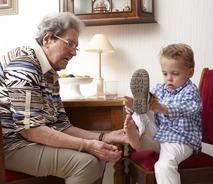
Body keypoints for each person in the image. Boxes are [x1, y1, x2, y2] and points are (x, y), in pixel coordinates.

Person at [0, 12, 130, 184]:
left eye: (76, 47)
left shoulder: (50, 74)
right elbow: (30, 129)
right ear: (47, 39)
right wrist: (87, 145)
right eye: (70, 44)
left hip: (28, 142)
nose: (74, 53)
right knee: (87, 164)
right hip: (10, 146)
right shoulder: (24, 62)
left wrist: (103, 138)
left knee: (100, 157)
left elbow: (62, 126)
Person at [124, 43, 202, 184]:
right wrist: (133, 106)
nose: (169, 78)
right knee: (143, 107)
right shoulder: (160, 88)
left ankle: (139, 138)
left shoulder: (190, 91)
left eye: (175, 73)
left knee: (163, 166)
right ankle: (136, 134)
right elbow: (148, 108)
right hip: (161, 136)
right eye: (165, 73)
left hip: (182, 141)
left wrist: (162, 108)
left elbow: (189, 108)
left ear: (190, 73)